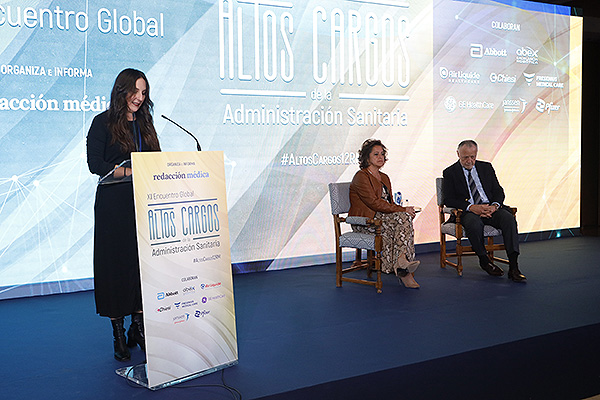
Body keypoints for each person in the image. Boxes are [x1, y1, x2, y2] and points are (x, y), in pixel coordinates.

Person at [86, 68, 161, 361]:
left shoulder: (145, 123)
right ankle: (118, 332)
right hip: (114, 207)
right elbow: (96, 164)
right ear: (122, 91)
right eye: (135, 92)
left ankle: (137, 328)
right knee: (116, 266)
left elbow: (156, 159)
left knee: (141, 265)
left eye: (144, 94)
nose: (139, 99)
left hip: (142, 203)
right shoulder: (102, 122)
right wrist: (128, 170)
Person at [442, 139, 526, 282]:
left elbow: (499, 192)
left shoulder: (486, 167)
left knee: (508, 219)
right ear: (458, 154)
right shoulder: (450, 172)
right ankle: (484, 261)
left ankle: (514, 266)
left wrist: (494, 206)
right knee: (474, 224)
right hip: (468, 212)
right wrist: (472, 207)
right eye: (465, 157)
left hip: (490, 208)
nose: (469, 161)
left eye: (472, 157)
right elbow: (448, 199)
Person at [348, 139, 421, 288]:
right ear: (367, 157)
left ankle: (402, 264)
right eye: (376, 154)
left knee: (404, 218)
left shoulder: (385, 177)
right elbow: (373, 203)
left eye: (382, 154)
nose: (380, 157)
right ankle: (403, 269)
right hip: (365, 221)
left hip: (382, 219)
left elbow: (389, 202)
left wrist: (404, 210)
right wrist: (402, 210)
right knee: (403, 218)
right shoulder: (361, 176)